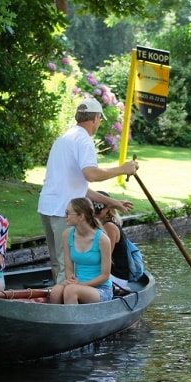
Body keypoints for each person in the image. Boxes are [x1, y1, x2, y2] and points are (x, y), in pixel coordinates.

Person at [38, 97, 139, 284]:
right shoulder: (84, 140)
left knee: (57, 263)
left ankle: (60, 300)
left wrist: (113, 203)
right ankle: (66, 308)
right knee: (68, 265)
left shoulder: (63, 138)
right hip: (65, 212)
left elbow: (80, 188)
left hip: (47, 207)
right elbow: (90, 174)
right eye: (100, 120)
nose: (99, 124)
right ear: (95, 118)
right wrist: (122, 169)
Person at [49, 197, 113, 304]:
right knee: (55, 291)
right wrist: (71, 280)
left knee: (70, 290)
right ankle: (59, 320)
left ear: (81, 216)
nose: (65, 216)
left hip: (100, 288)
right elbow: (68, 268)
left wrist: (80, 285)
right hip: (77, 285)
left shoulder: (102, 239)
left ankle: (72, 320)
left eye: (68, 213)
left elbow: (105, 276)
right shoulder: (67, 234)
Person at [92, 191, 131, 287]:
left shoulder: (109, 227)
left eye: (98, 211)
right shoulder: (98, 225)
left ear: (108, 209)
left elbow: (105, 256)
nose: (94, 215)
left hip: (116, 277)